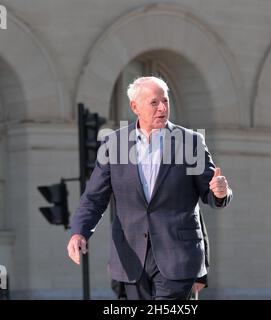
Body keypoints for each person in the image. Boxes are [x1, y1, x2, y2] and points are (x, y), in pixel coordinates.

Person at [67, 76, 233, 300]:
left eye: (165, 101)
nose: (162, 108)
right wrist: (79, 232)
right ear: (135, 106)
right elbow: (94, 197)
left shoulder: (190, 142)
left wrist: (220, 192)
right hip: (131, 258)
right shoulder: (114, 144)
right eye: (154, 102)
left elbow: (210, 193)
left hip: (178, 256)